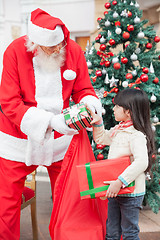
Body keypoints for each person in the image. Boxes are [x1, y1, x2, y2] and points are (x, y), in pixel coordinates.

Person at [0, 8, 107, 240]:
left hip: (63, 141)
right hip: (17, 139)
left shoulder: (73, 50)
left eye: (60, 45)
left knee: (74, 200)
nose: (58, 50)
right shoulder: (15, 51)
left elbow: (84, 89)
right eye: (51, 47)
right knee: (4, 206)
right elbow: (9, 102)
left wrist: (89, 105)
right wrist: (49, 122)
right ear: (35, 44)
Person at [87, 88, 155, 240]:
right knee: (112, 231)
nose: (113, 109)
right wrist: (98, 122)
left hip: (130, 192)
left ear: (129, 112)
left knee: (129, 232)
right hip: (115, 190)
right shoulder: (119, 130)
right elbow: (101, 139)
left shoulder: (136, 135)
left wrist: (120, 181)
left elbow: (141, 162)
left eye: (117, 106)